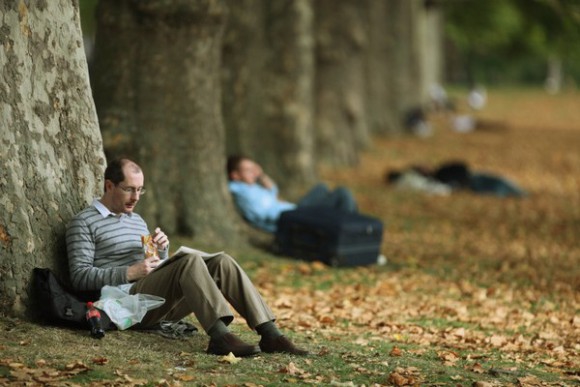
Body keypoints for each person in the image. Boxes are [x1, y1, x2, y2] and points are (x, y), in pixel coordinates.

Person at [66, 158, 308, 357]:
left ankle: (270, 334)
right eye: (129, 189)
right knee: (188, 262)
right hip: (125, 306)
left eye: (140, 189)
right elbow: (79, 277)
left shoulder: (136, 220)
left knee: (221, 261)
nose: (136, 197)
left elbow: (156, 267)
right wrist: (128, 272)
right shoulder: (84, 222)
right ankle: (220, 336)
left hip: (155, 301)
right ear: (109, 186)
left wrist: (162, 251)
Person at [226, 155, 358, 233]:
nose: (252, 172)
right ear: (235, 175)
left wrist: (261, 175)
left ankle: (353, 228)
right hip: (291, 217)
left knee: (322, 187)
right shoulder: (238, 189)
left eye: (253, 169)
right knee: (342, 194)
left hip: (293, 209)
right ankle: (351, 233)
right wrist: (281, 208)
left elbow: (273, 190)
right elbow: (264, 216)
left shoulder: (254, 186)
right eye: (248, 170)